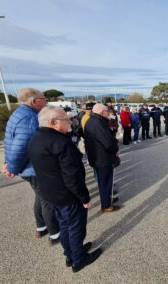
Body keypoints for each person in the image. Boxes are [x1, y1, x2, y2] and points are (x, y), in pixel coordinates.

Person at [27, 106, 102, 273]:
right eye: (66, 119)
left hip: (50, 193)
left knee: (64, 225)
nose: (70, 121)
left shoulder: (35, 138)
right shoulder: (61, 143)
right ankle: (79, 260)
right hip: (67, 195)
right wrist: (84, 198)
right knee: (75, 226)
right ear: (53, 122)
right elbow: (72, 176)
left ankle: (71, 253)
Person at [2, 88, 60, 244]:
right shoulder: (30, 118)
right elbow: (20, 146)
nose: (46, 101)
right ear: (34, 101)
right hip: (34, 168)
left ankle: (41, 227)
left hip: (28, 167)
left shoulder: (19, 114)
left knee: (40, 197)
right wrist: (11, 168)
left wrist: (7, 163)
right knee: (48, 199)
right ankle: (55, 233)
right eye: (44, 98)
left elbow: (9, 141)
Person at [84, 104, 120, 212]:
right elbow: (108, 143)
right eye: (106, 111)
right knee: (105, 182)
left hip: (98, 157)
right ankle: (106, 205)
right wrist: (115, 148)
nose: (108, 113)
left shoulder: (93, 121)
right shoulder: (97, 123)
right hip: (102, 158)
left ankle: (108, 200)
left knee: (104, 182)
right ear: (101, 112)